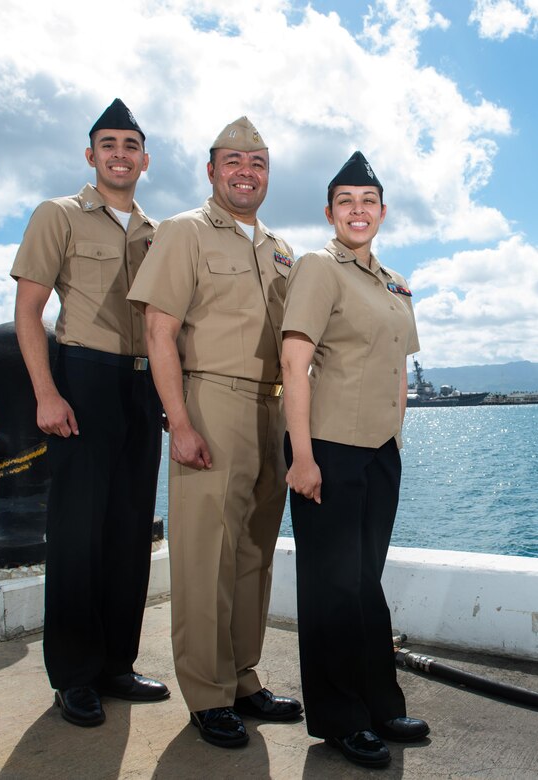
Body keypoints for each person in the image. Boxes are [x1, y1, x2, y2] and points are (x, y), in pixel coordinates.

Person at [127, 116, 302, 748]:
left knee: (254, 553)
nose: (245, 172)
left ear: (267, 175)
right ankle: (206, 693)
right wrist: (180, 420)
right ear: (211, 170)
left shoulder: (281, 249)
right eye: (233, 161)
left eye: (256, 163)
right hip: (211, 399)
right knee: (206, 557)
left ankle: (242, 678)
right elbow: (158, 332)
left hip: (272, 409)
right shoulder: (183, 232)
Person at [11, 99, 169, 728]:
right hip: (84, 379)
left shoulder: (159, 232)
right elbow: (29, 312)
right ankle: (73, 676)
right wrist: (46, 394)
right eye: (109, 144)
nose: (120, 155)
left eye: (131, 145)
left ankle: (116, 667)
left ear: (145, 159)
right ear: (90, 155)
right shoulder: (60, 215)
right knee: (77, 533)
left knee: (129, 532)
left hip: (143, 389)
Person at [281, 151, 429, 768]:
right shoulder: (319, 267)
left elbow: (399, 370)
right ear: (330, 212)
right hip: (329, 451)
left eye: (368, 202)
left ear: (383, 213)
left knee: (365, 582)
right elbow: (294, 360)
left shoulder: (393, 284)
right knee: (330, 587)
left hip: (378, 453)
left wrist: (395, 441)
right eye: (346, 202)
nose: (358, 211)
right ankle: (341, 720)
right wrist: (302, 457)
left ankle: (380, 704)